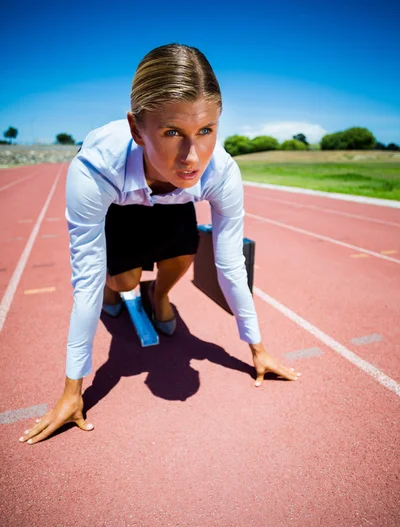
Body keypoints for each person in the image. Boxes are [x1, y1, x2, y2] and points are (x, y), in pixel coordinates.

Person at [19, 43, 301, 445]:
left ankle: (161, 296)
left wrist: (258, 349)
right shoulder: (94, 168)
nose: (192, 155)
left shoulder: (216, 170)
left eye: (206, 131)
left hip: (174, 195)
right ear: (137, 129)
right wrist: (72, 392)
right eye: (173, 132)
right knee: (115, 284)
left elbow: (230, 264)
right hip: (120, 196)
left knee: (184, 251)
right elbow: (84, 278)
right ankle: (118, 290)